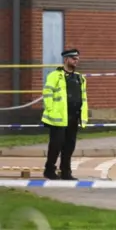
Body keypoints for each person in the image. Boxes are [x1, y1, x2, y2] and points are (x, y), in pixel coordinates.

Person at [42, 48, 89, 181]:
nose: (76, 61)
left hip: (74, 117)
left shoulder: (80, 78)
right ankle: (49, 170)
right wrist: (50, 110)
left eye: (77, 59)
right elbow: (47, 94)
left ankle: (65, 172)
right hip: (58, 118)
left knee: (69, 146)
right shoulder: (55, 76)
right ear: (66, 59)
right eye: (73, 58)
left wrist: (82, 116)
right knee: (56, 145)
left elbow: (83, 97)